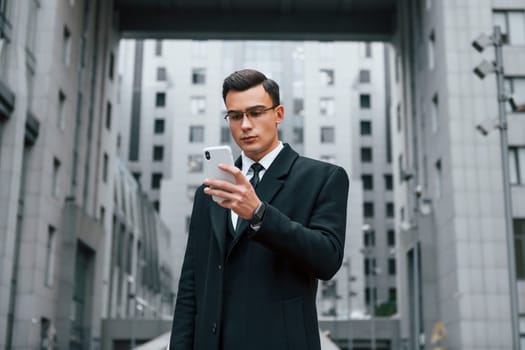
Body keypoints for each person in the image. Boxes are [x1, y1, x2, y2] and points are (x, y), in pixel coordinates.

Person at [169, 69, 349, 350]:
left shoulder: (323, 178)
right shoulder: (210, 192)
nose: (245, 125)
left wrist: (260, 215)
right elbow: (191, 283)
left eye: (256, 112)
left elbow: (327, 259)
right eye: (236, 116)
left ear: (279, 114)